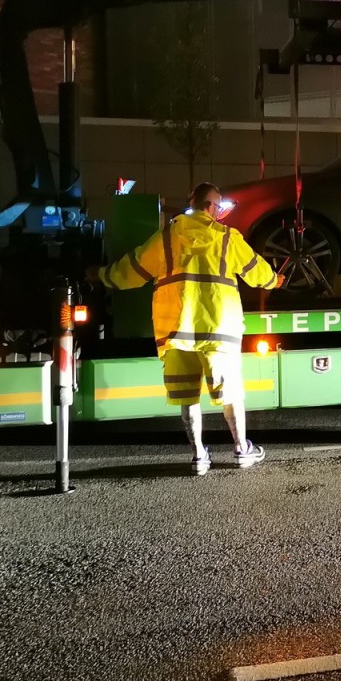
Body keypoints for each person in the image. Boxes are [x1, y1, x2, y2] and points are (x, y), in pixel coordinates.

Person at [89, 182, 284, 475]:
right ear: (209, 207)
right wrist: (274, 282)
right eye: (220, 206)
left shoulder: (167, 238)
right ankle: (242, 449)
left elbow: (132, 271)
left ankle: (198, 456)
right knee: (231, 393)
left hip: (177, 332)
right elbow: (257, 271)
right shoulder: (227, 238)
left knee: (187, 395)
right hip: (219, 331)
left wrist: (101, 275)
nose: (222, 212)